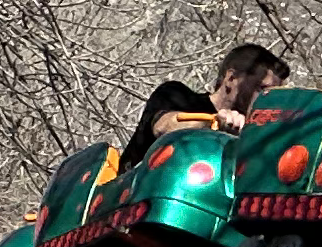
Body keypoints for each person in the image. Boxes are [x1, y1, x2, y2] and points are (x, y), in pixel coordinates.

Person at [124, 41, 289, 163]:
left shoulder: (253, 137)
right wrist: (213, 124)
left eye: (273, 94)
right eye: (261, 89)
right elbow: (164, 126)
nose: (268, 99)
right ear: (231, 78)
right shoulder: (176, 94)